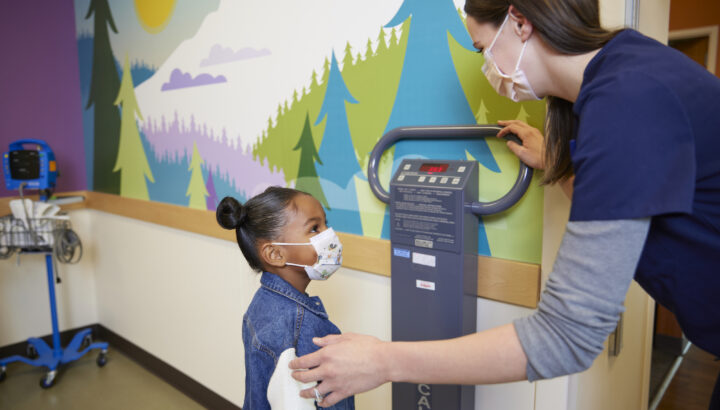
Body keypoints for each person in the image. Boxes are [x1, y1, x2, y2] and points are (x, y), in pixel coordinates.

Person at [289, 0, 720, 408]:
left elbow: (564, 338)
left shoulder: (629, 100)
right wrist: (559, 163)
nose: (487, 67)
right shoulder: (622, 76)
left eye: (482, 48)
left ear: (519, 21)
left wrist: (384, 361)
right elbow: (625, 193)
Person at [217, 187, 354, 409]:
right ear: (275, 254)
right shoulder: (297, 325)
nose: (329, 235)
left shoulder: (262, 304)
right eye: (314, 228)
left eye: (325, 224)